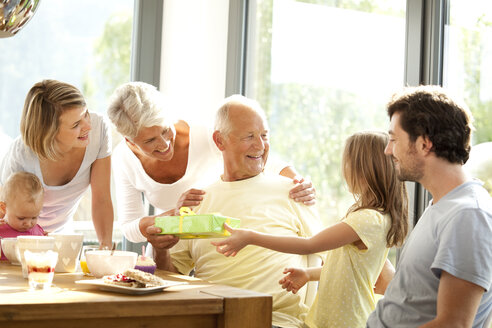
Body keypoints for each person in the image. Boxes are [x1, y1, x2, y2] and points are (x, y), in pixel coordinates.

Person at [147, 95, 322, 328]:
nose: (260, 145)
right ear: (219, 141)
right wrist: (160, 251)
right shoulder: (196, 200)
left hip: (273, 321)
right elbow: (169, 275)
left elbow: (336, 259)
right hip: (209, 318)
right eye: (249, 136)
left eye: (264, 135)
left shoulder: (293, 193)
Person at [212, 131, 409, 328]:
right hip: (325, 321)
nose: (344, 170)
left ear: (364, 169)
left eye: (347, 162)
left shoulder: (367, 219)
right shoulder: (371, 217)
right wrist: (308, 274)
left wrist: (251, 237)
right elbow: (345, 270)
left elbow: (309, 245)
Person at [107, 82, 316, 251]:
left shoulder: (204, 134)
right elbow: (130, 226)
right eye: (150, 141)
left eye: (165, 130)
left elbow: (259, 156)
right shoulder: (123, 159)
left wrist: (298, 182)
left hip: (223, 237)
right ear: (130, 142)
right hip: (173, 245)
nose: (164, 144)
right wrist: (173, 216)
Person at [366, 85, 492, 328]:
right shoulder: (443, 205)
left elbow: (452, 324)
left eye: (393, 139)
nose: (387, 150)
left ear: (424, 144)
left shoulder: (468, 215)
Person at [0, 80, 113, 248]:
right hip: (21, 237)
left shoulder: (99, 130)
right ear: (49, 133)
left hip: (63, 234)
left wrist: (106, 247)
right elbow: (6, 213)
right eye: (76, 124)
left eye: (86, 114)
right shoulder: (21, 156)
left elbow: (102, 198)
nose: (88, 126)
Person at [0, 172, 46, 260]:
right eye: (21, 218)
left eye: (34, 217)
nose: (28, 224)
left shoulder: (38, 232)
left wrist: (48, 242)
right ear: (3, 208)